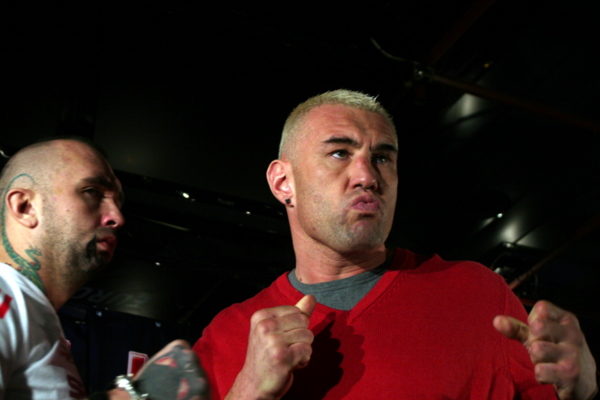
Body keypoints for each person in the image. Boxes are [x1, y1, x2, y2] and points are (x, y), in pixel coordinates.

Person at [192, 90, 598, 400]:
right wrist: (247, 391)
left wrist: (584, 392)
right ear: (284, 182)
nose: (368, 176)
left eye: (383, 158)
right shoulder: (226, 335)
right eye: (339, 153)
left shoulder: (477, 294)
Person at [0, 138, 209, 400]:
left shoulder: (31, 314)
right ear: (25, 207)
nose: (117, 218)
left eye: (117, 202)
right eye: (92, 192)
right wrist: (132, 396)